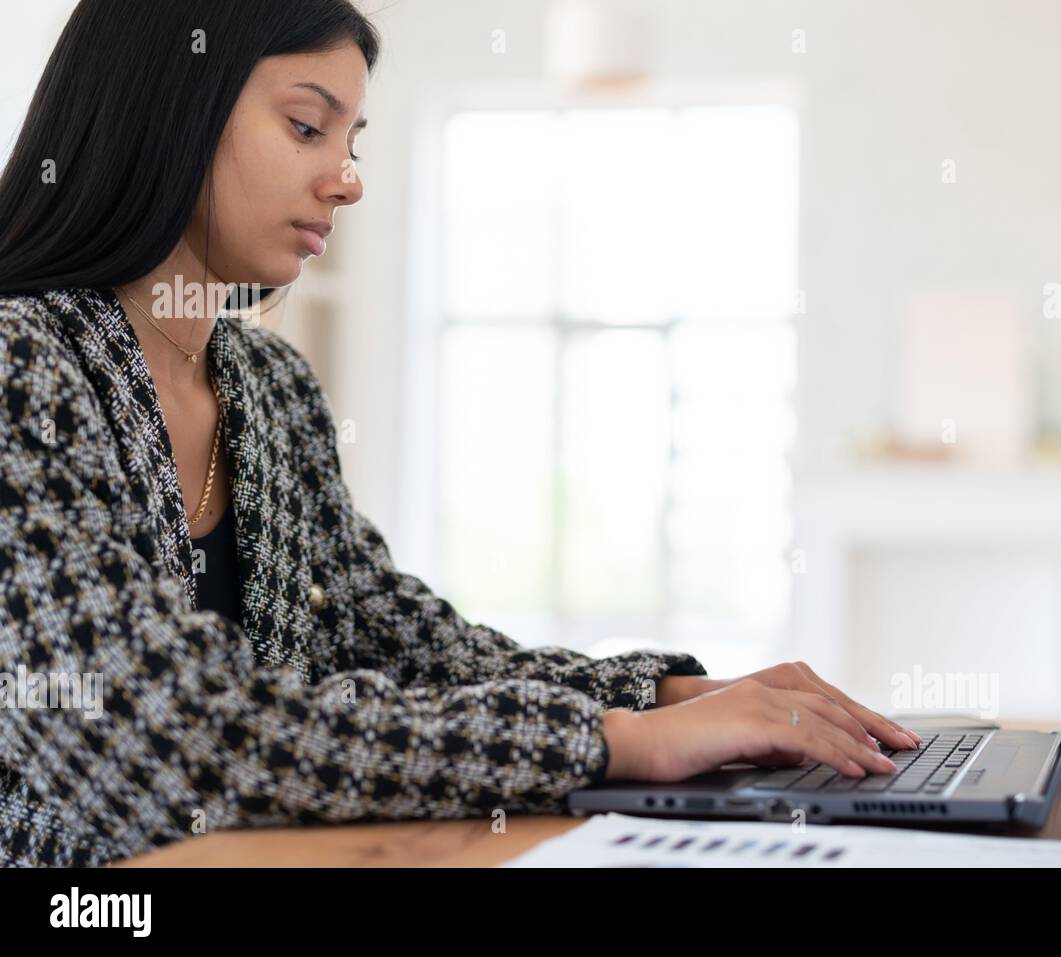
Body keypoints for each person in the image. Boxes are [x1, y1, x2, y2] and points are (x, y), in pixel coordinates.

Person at [0, 0, 919, 868]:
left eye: (351, 141)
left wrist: (670, 694)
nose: (347, 179)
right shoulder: (18, 368)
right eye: (306, 126)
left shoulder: (268, 388)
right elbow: (158, 731)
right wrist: (620, 743)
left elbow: (409, 649)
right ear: (171, 109)